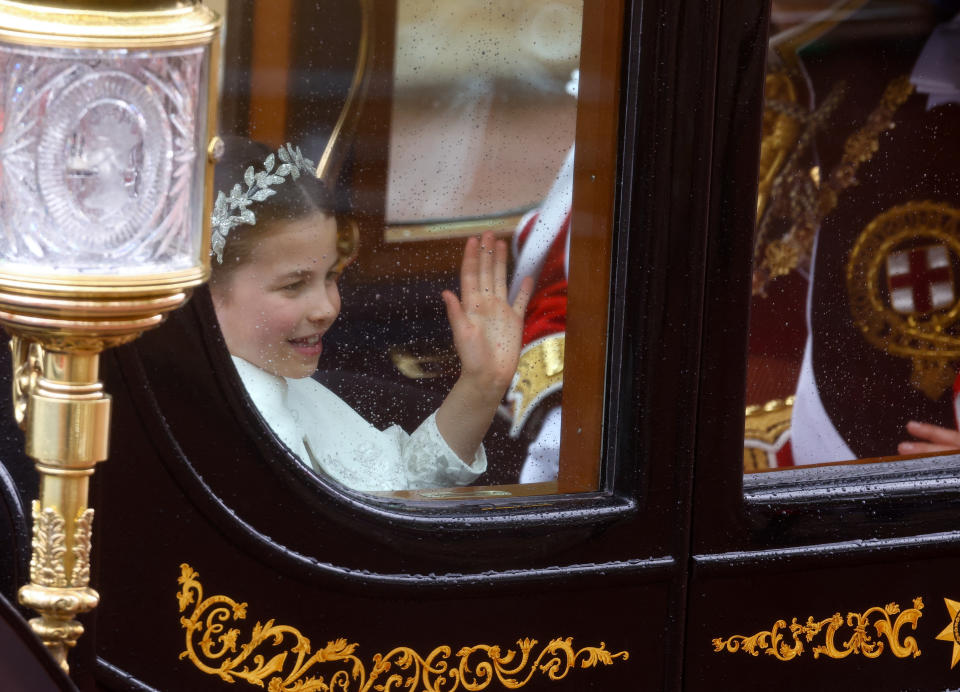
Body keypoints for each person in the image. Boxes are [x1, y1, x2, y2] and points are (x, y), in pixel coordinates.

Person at [209, 139, 533, 492]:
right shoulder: (229, 426)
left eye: (331, 276)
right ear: (206, 291)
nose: (327, 308)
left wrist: (482, 384)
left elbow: (398, 492)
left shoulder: (287, 386)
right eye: (293, 286)